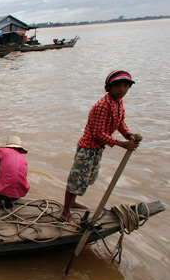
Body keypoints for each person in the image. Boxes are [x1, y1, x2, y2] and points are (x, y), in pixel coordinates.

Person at [60, 70, 140, 222]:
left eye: (125, 86)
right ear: (109, 88)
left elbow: (120, 123)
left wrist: (129, 135)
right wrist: (121, 144)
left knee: (87, 178)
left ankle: (72, 203)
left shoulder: (118, 103)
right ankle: (65, 212)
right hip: (87, 148)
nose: (122, 89)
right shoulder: (102, 106)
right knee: (76, 180)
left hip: (98, 148)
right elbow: (97, 133)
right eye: (118, 86)